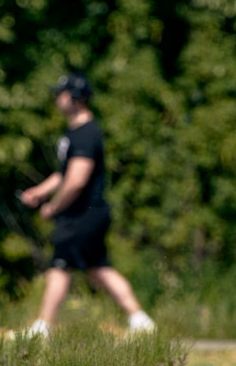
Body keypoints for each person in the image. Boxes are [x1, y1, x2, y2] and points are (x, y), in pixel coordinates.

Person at [15, 72, 156, 337]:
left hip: (82, 214)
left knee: (59, 266)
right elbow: (64, 173)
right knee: (99, 269)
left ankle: (42, 328)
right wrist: (39, 192)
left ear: (76, 97)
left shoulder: (86, 134)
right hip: (86, 214)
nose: (57, 98)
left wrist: (53, 207)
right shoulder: (75, 132)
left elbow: (77, 180)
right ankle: (141, 322)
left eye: (62, 93)